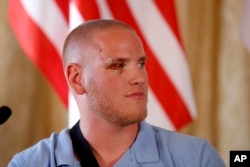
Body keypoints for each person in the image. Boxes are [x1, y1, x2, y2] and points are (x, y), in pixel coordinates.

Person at [8, 19, 225, 167]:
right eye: (118, 65)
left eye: (141, 64)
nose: (139, 77)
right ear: (76, 78)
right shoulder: (30, 163)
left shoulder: (196, 158)